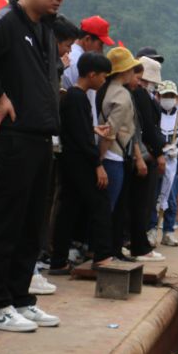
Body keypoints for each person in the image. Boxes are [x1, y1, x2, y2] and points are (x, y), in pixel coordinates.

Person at [0, 0, 70, 333]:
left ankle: (20, 297)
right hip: (11, 137)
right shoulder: (2, 24)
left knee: (32, 224)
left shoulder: (46, 28)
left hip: (40, 139)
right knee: (5, 223)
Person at [51, 52, 114, 273]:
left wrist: (93, 129)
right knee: (100, 202)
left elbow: (75, 129)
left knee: (68, 208)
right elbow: (81, 137)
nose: (104, 81)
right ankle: (103, 255)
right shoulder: (77, 97)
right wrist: (97, 165)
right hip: (80, 161)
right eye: (103, 76)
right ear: (92, 74)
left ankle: (58, 260)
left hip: (69, 160)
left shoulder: (73, 97)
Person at [99, 46, 142, 256]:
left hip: (111, 153)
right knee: (109, 207)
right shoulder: (122, 95)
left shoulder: (107, 90)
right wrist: (98, 160)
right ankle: (104, 252)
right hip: (112, 154)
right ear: (124, 71)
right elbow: (110, 131)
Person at [126, 55, 166, 261]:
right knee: (142, 202)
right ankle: (139, 246)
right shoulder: (141, 95)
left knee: (142, 202)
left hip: (143, 152)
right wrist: (159, 153)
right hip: (145, 153)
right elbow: (148, 128)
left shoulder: (140, 94)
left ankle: (138, 243)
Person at [156, 82, 178, 246]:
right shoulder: (155, 114)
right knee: (153, 198)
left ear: (176, 98)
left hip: (173, 164)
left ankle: (168, 232)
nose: (168, 100)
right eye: (165, 96)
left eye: (171, 96)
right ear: (159, 97)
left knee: (171, 199)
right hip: (156, 162)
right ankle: (150, 230)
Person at [62, 15, 113, 91]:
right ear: (87, 39)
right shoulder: (81, 61)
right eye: (100, 45)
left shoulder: (71, 55)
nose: (101, 50)